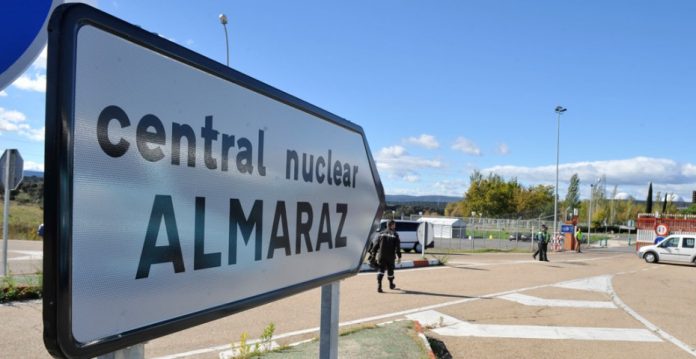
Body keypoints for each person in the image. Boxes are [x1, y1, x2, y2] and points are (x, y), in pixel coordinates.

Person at [370, 220, 402, 293]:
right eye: (394, 225)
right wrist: (399, 256)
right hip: (390, 256)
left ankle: (379, 286)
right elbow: (398, 247)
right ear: (391, 225)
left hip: (381, 255)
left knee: (381, 270)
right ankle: (391, 284)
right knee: (390, 270)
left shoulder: (380, 234)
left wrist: (373, 255)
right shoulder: (395, 235)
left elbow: (375, 245)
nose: (395, 226)